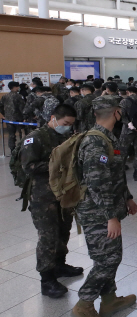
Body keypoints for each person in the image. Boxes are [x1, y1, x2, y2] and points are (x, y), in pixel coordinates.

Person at [71, 95, 137, 317]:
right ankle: (84, 304)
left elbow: (115, 175)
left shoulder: (108, 138)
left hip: (107, 207)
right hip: (96, 212)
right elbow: (97, 183)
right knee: (108, 259)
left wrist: (127, 197)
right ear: (116, 112)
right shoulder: (95, 143)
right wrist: (111, 216)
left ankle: (109, 300)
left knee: (109, 256)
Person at [20, 104, 83, 298]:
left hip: (63, 194)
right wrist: (57, 165)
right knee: (48, 237)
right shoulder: (35, 138)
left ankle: (60, 265)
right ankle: (47, 280)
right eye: (65, 123)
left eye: (71, 125)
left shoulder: (64, 136)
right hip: (42, 196)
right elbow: (28, 166)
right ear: (54, 118)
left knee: (63, 231)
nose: (68, 127)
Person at [0, 81, 26, 151]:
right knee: (21, 134)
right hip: (18, 119)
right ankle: (21, 149)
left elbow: (1, 106)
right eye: (18, 86)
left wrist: (4, 114)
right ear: (15, 87)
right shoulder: (19, 96)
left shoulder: (5, 96)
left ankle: (12, 149)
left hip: (8, 119)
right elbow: (22, 108)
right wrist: (25, 117)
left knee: (11, 135)